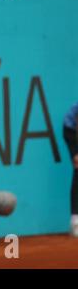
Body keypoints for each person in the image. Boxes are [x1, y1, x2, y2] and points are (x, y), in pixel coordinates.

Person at [63, 101, 78, 237]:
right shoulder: (74, 112)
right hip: (72, 132)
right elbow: (69, 128)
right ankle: (75, 221)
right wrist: (74, 153)